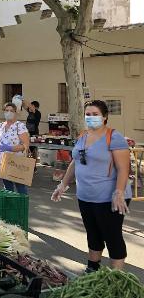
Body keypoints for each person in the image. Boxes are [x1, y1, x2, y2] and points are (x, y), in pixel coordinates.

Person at [52, 100, 132, 271]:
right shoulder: (83, 136)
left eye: (95, 114)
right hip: (86, 196)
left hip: (109, 197)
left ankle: (115, 277)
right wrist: (63, 185)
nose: (91, 117)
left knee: (112, 236)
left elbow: (123, 168)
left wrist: (118, 192)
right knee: (93, 234)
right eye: (88, 114)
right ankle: (92, 269)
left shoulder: (114, 137)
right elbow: (75, 162)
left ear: (104, 117)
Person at [0, 102, 31, 194]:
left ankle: (22, 206)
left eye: (11, 111)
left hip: (16, 162)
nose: (9, 112)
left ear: (15, 112)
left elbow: (26, 145)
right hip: (2, 161)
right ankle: (10, 206)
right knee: (7, 188)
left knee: (20, 187)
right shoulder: (1, 126)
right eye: (6, 110)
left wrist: (10, 148)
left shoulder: (20, 126)